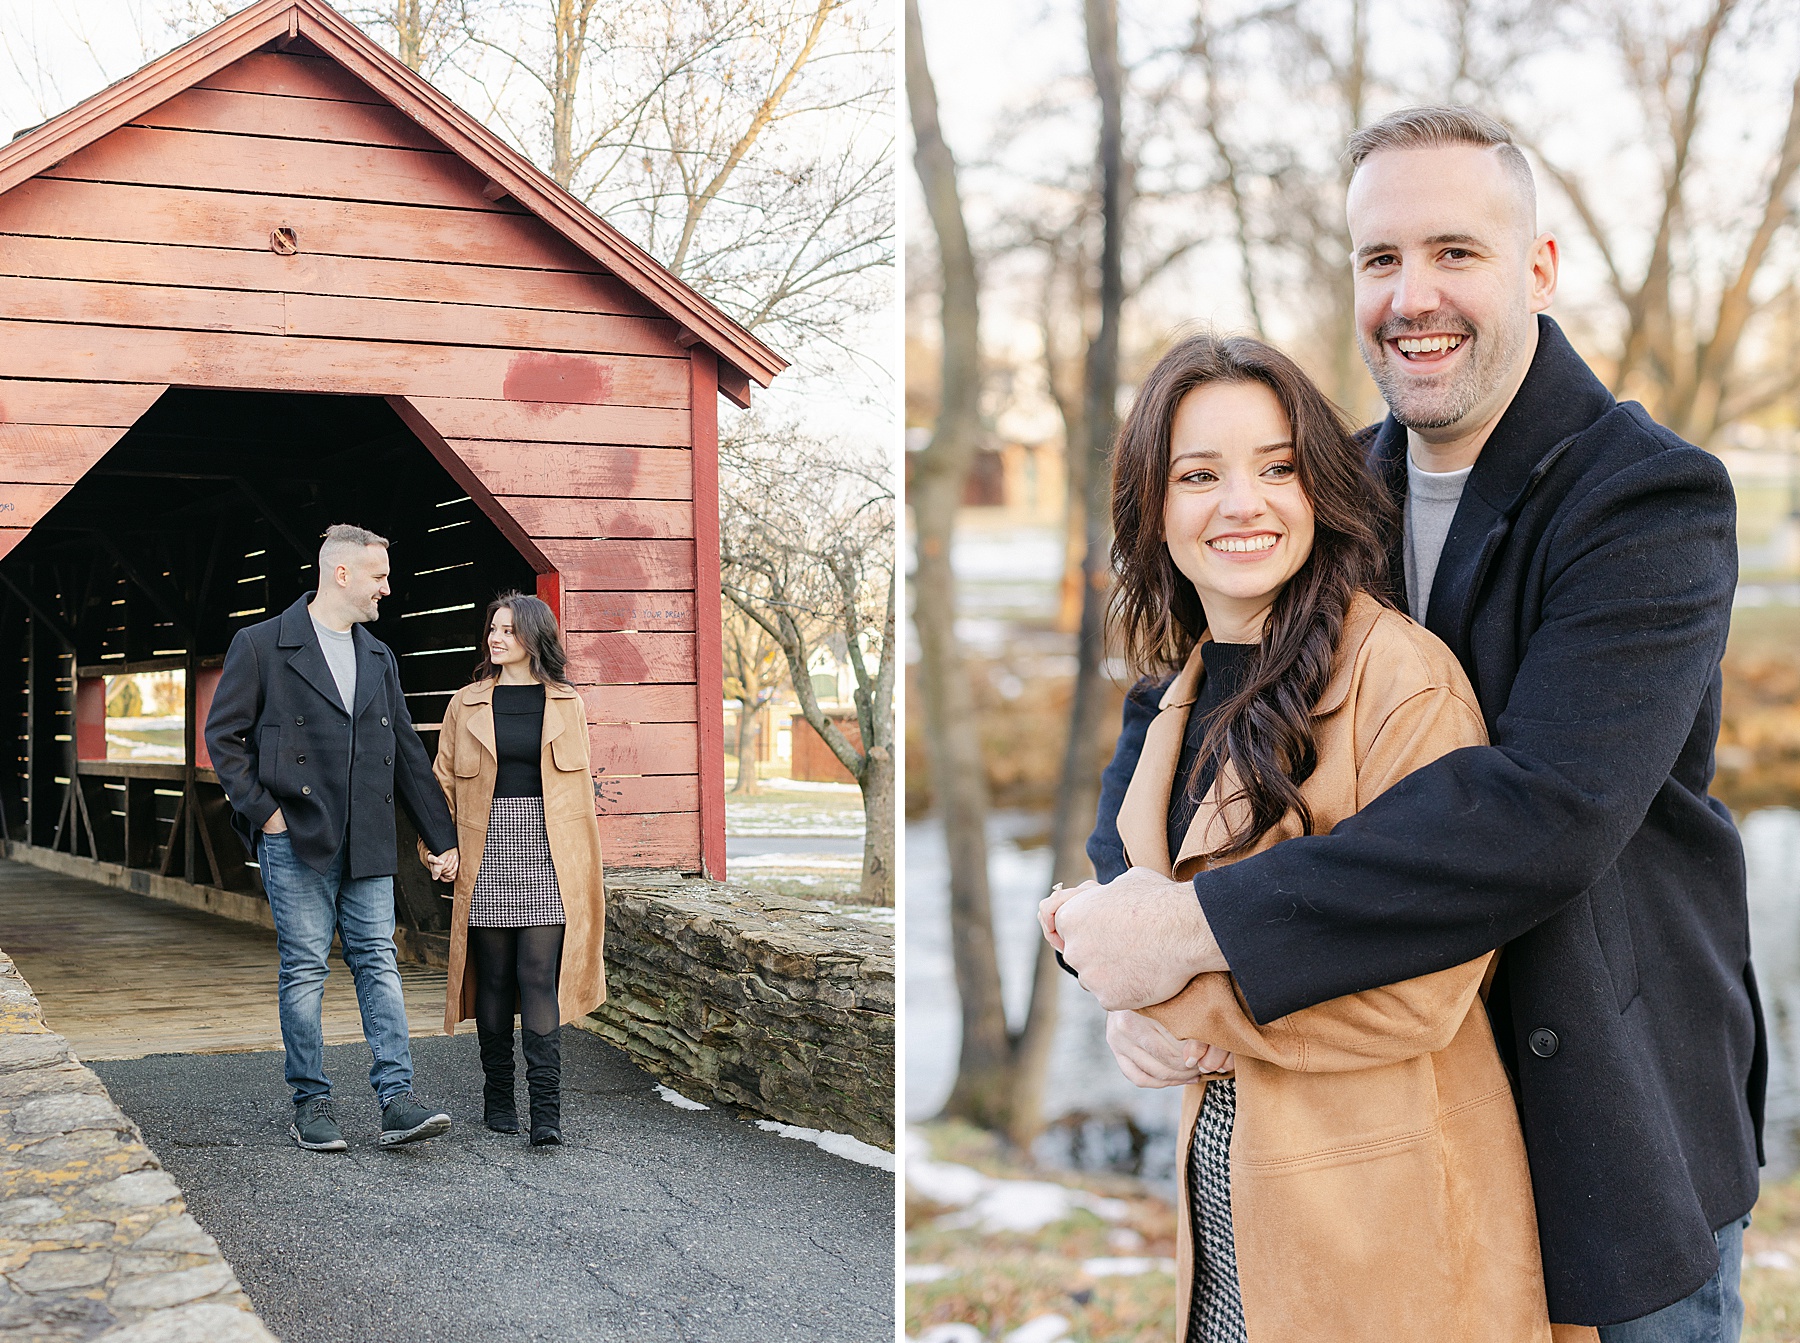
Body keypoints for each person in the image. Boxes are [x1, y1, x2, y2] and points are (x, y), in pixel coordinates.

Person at [1045, 106, 1761, 1341]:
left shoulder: (1645, 494)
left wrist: (1189, 938)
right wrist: (1114, 935)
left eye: (1455, 252)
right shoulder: (1333, 489)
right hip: (1389, 1133)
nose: (1411, 295)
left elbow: (1542, 810)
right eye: (1380, 259)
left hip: (1606, 1122)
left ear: (1537, 266)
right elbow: (1191, 715)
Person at [1047, 331, 1565, 1342]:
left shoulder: (1399, 679)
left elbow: (1425, 990)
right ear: (1153, 506)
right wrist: (1114, 972)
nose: (1243, 502)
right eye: (1200, 473)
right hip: (1227, 1225)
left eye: (1277, 467)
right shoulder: (1179, 691)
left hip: (1382, 1230)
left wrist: (1168, 995)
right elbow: (1140, 903)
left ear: (1320, 487)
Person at [205, 523, 460, 1152]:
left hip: (368, 838)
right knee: (305, 971)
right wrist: (266, 815)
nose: (388, 589)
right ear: (340, 574)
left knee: (379, 961)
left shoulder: (378, 655)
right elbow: (223, 738)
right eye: (379, 576)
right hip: (296, 837)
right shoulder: (263, 644)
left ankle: (397, 1100)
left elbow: (404, 748)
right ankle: (311, 1103)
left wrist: (440, 834)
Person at [428, 592, 606, 1147]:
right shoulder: (466, 703)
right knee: (497, 979)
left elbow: (578, 798)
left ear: (534, 637)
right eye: (493, 629)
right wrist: (438, 848)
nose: (496, 638)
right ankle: (499, 1096)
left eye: (508, 630)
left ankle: (547, 1112)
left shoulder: (567, 703)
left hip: (549, 852)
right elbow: (443, 786)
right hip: (486, 849)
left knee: (538, 977)